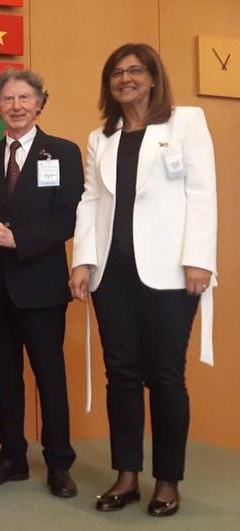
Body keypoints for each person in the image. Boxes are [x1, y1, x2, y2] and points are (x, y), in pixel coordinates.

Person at [69, 43, 217, 517]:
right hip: (113, 274)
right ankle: (127, 475)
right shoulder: (101, 138)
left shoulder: (186, 122)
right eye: (116, 72)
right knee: (122, 375)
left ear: (153, 78)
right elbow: (91, 201)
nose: (125, 78)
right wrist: (82, 260)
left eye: (135, 71)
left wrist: (199, 258)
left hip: (172, 273)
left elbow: (202, 191)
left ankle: (168, 480)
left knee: (167, 376)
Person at [0, 70, 83, 498]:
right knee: (5, 377)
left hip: (42, 286)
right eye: (7, 99)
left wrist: (18, 238)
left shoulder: (64, 153)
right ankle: (12, 458)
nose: (15, 106)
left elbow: (68, 217)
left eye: (24, 98)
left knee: (50, 377)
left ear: (40, 103)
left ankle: (59, 463)